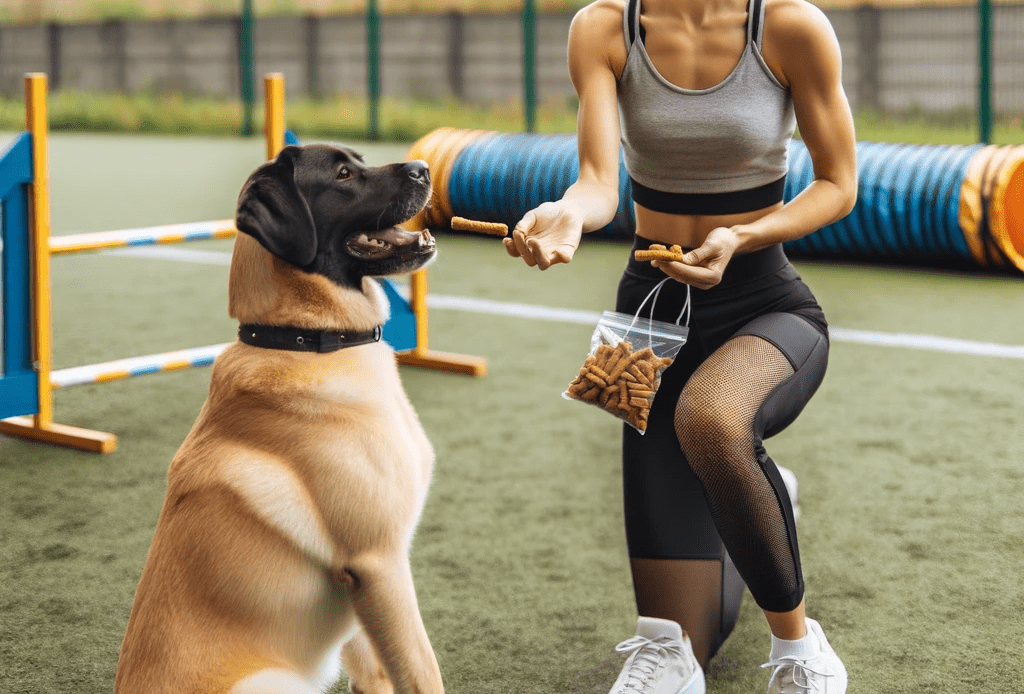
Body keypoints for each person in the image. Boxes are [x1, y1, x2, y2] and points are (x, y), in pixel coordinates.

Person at [503, 0, 857, 691]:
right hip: (650, 310)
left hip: (765, 301)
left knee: (712, 420)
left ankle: (799, 649)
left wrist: (744, 235)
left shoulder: (789, 26)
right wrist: (567, 214)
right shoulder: (603, 27)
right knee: (682, 639)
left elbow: (838, 184)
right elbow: (600, 182)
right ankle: (745, 490)